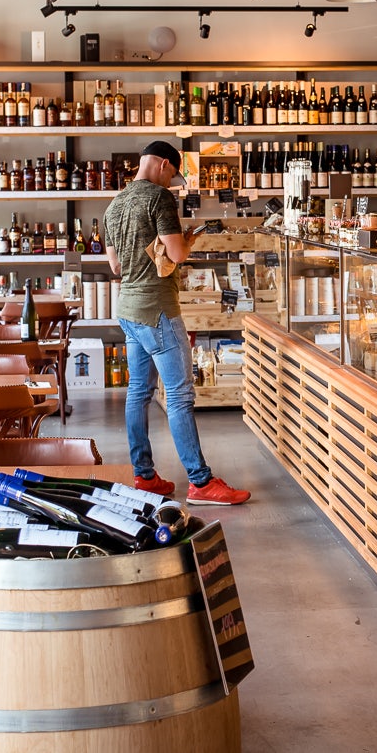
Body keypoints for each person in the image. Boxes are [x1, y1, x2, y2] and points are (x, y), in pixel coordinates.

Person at [103, 141, 251, 506]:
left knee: (138, 393)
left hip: (128, 309)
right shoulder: (159, 199)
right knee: (181, 396)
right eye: (173, 174)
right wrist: (189, 237)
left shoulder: (114, 204)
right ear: (164, 165)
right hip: (158, 311)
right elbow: (177, 254)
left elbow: (116, 268)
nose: (172, 182)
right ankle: (200, 482)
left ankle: (145, 475)